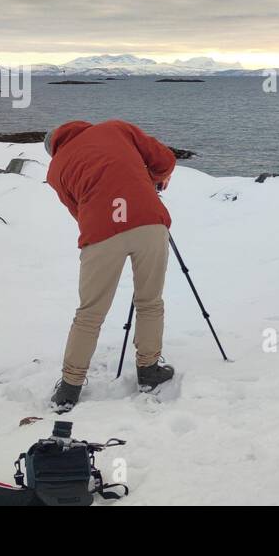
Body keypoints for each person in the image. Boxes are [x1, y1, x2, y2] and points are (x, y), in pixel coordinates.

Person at [44, 120, 178, 412]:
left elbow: (78, 210)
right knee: (149, 301)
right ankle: (149, 370)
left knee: (89, 313)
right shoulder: (115, 129)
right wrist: (153, 178)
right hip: (149, 222)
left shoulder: (55, 171)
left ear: (54, 149)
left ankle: (69, 388)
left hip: (100, 234)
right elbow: (165, 159)